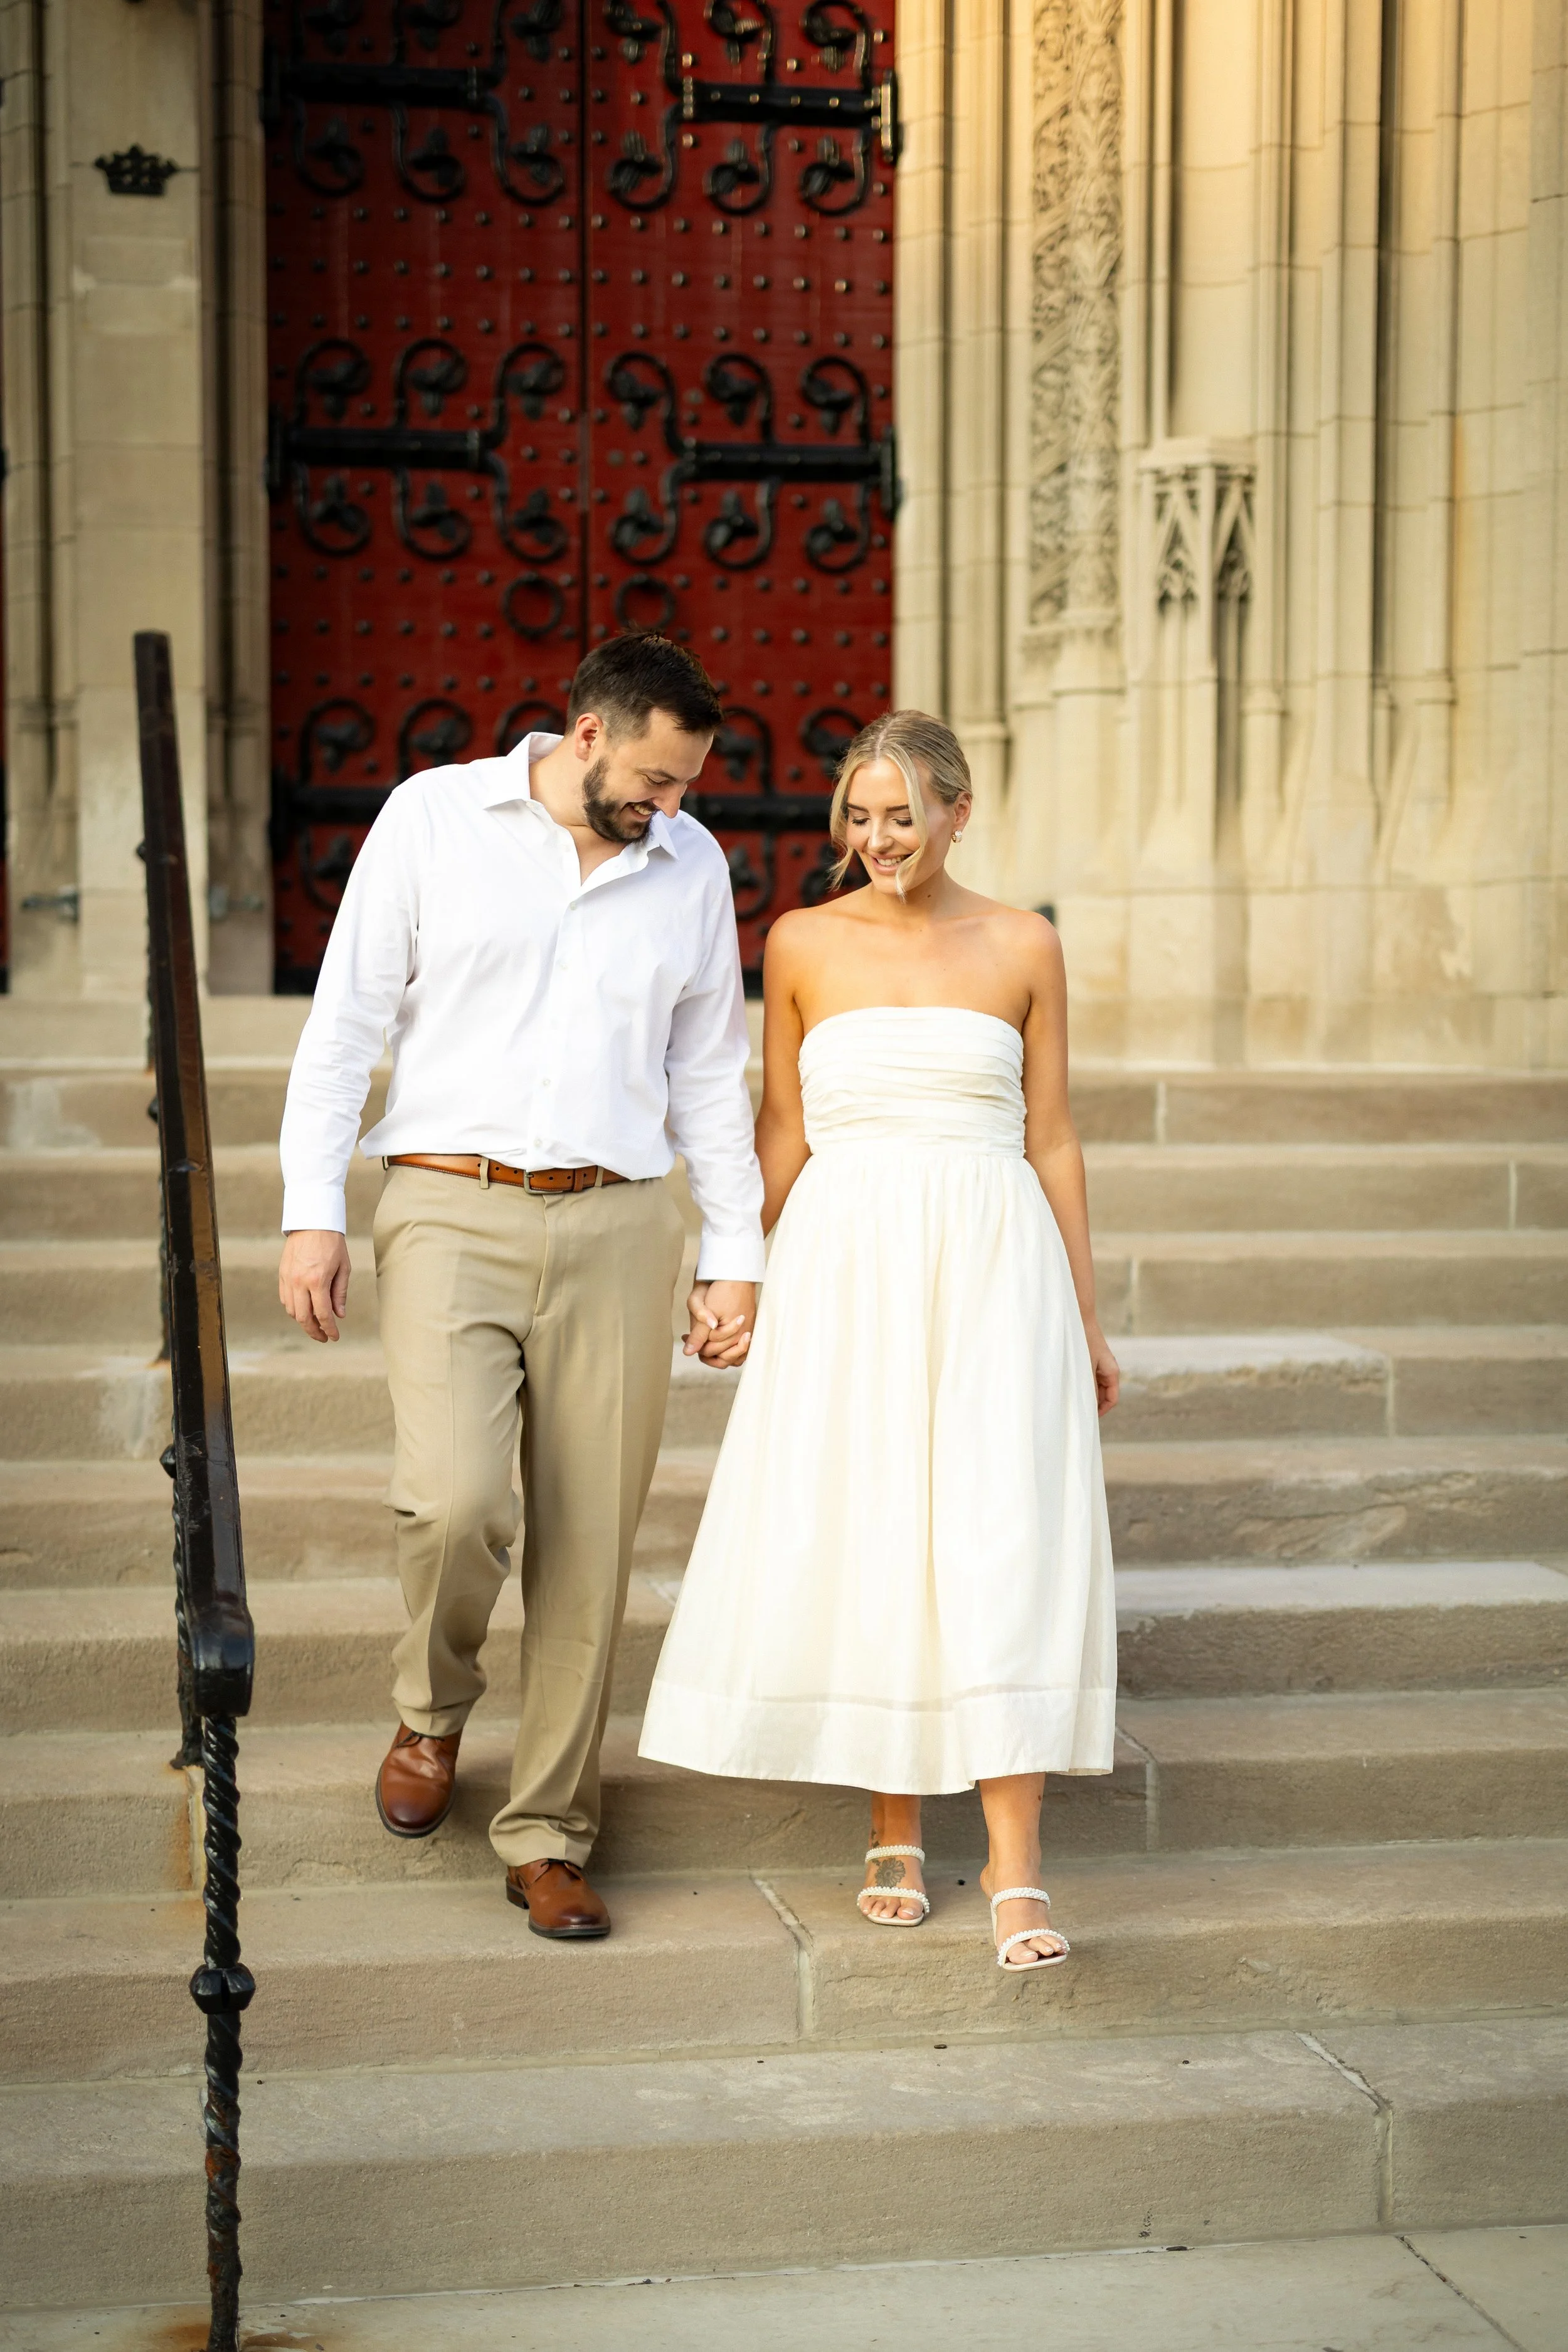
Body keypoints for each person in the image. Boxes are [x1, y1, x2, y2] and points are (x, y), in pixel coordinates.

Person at [277, 634, 761, 1941]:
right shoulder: (433, 818)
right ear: (587, 733)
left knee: (590, 1542)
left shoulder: (691, 864)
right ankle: (430, 1714)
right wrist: (312, 1213)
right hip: (446, 1204)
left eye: (684, 787)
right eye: (654, 779)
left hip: (618, 1223)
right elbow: (345, 1027)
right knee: (450, 1503)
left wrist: (733, 1253)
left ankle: (548, 1829)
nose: (668, 806)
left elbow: (711, 1066)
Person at [640, 709, 1118, 1971]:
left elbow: (1051, 1134)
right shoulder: (798, 941)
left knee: (999, 1530)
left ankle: (1016, 1865)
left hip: (992, 1257)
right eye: (857, 815)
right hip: (843, 1259)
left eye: (902, 814)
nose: (876, 838)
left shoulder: (1025, 944)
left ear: (958, 812)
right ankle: (891, 1823)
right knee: (868, 1523)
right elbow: (782, 1126)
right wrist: (726, 1273)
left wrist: (1080, 1309)